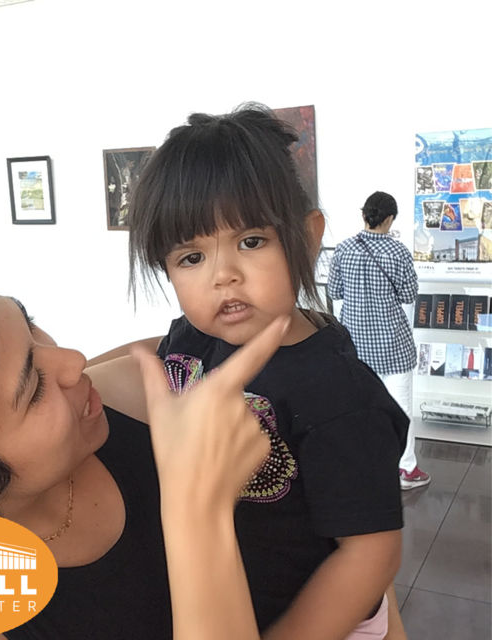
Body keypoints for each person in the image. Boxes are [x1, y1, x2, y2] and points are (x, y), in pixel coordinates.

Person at [91, 104, 408, 640]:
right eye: (191, 257)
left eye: (251, 242)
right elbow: (158, 359)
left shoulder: (338, 394)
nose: (224, 276)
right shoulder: (196, 338)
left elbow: (371, 553)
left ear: (308, 237)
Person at [0, 264, 290, 640]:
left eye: (30, 326)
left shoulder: (128, 393)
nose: (74, 360)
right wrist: (198, 510)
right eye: (35, 387)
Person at [327, 191, 431, 490]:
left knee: (358, 409)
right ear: (390, 219)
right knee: (400, 408)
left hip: (355, 346)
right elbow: (409, 296)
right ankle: (406, 469)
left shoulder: (344, 249)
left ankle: (363, 468)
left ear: (364, 215)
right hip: (393, 344)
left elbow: (334, 292)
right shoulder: (397, 251)